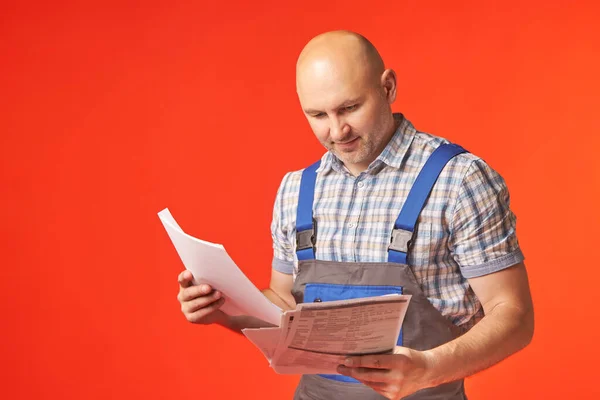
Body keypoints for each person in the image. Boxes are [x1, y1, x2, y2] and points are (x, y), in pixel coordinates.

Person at [176, 30, 534, 400]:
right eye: (317, 114)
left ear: (388, 87)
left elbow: (514, 316)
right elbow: (284, 308)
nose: (336, 130)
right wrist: (222, 309)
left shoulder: (459, 180)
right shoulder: (296, 189)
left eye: (349, 108)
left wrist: (428, 370)